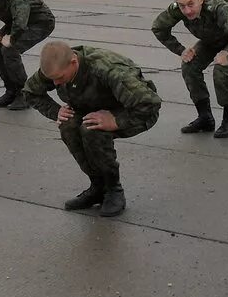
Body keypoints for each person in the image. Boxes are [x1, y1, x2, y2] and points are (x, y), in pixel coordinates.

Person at [23, 40, 161, 217]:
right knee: (68, 125)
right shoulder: (56, 67)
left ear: (74, 62)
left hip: (133, 112)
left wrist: (116, 121)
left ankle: (113, 189)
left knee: (92, 130)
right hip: (90, 107)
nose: (56, 83)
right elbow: (30, 91)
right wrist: (56, 111)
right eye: (53, 79)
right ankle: (97, 186)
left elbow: (149, 103)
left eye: (60, 78)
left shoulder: (107, 70)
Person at [152, 0, 228, 138]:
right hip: (211, 38)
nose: (187, 11)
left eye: (191, 4)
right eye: (182, 6)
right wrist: (181, 50)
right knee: (189, 66)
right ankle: (205, 117)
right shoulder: (178, 9)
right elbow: (158, 28)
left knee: (221, 69)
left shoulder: (217, 7)